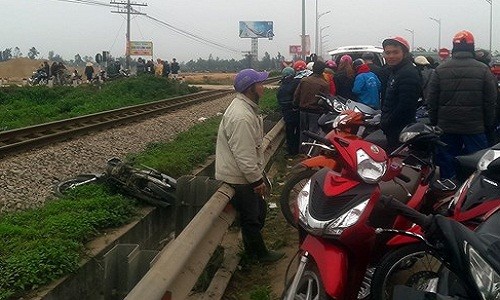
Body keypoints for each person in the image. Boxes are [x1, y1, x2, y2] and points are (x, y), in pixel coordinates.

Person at [215, 68, 284, 263]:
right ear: (249, 88)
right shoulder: (242, 117)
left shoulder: (245, 108)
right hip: (240, 176)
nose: (263, 87)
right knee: (252, 217)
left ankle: (254, 253)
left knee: (257, 212)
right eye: (260, 84)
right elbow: (244, 155)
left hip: (242, 173)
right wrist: (255, 180)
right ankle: (258, 255)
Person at [428, 30, 497, 179]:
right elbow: (490, 102)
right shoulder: (483, 70)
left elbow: (431, 101)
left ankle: (447, 193)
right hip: (474, 128)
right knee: (478, 164)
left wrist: (436, 123)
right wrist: (488, 124)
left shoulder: (440, 70)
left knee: (448, 163)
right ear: (472, 48)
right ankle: (471, 196)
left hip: (446, 127)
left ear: (454, 47)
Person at [380, 36, 421, 150]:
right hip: (394, 127)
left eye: (395, 52)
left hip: (400, 128)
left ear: (405, 53)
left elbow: (406, 105)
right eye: (388, 53)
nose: (391, 56)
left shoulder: (407, 73)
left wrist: (387, 122)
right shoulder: (395, 71)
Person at [293, 60, 329, 152]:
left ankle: (302, 151)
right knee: (313, 133)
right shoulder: (324, 84)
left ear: (313, 69)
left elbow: (297, 95)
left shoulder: (304, 80)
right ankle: (310, 152)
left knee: (303, 131)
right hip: (316, 112)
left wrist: (295, 105)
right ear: (322, 70)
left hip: (303, 110)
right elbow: (326, 100)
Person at [277, 67, 300, 156]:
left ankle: (291, 151)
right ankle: (297, 150)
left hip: (287, 113)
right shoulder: (296, 83)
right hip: (296, 111)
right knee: (298, 131)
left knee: (289, 132)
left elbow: (280, 102)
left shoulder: (281, 88)